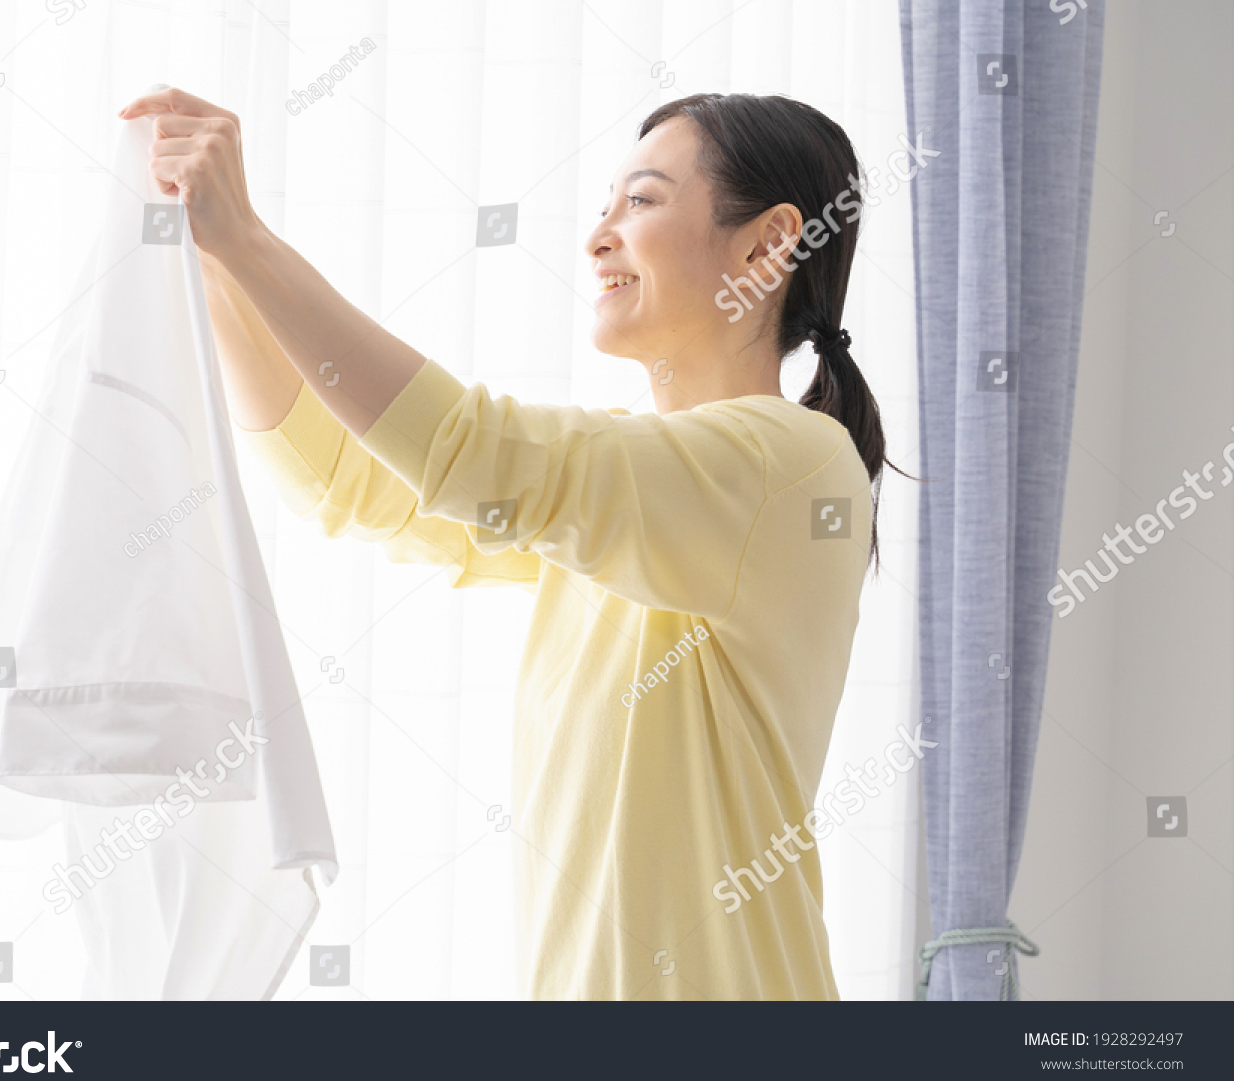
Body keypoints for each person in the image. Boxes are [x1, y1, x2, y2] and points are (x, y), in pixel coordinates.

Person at [118, 86, 891, 999]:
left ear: (765, 245)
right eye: (602, 206)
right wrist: (215, 261)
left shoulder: (790, 465)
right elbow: (348, 482)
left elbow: (471, 450)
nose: (599, 235)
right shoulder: (635, 497)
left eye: (640, 201)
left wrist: (248, 238)